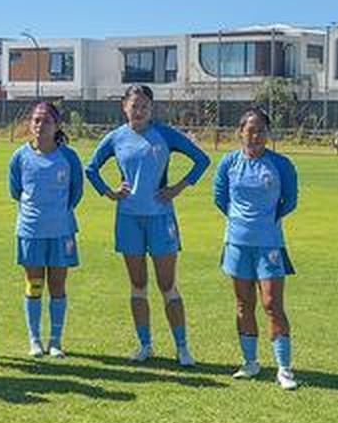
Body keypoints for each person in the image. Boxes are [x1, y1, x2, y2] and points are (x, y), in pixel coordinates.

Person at [85, 84, 210, 366]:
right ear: (124, 107)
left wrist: (177, 188)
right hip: (128, 219)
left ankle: (182, 348)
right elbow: (90, 168)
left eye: (144, 106)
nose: (138, 111)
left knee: (167, 285)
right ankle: (145, 345)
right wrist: (110, 192)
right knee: (138, 284)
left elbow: (202, 160)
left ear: (151, 109)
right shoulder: (116, 138)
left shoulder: (164, 134)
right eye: (134, 106)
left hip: (161, 218)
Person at [213, 107, 299, 390]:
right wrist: (241, 222)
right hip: (237, 242)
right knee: (242, 304)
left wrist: (265, 223)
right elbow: (220, 198)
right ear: (240, 132)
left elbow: (290, 200)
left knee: (272, 304)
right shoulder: (228, 163)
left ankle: (284, 369)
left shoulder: (281, 164)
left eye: (261, 129)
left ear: (268, 133)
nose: (255, 135)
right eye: (250, 130)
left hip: (269, 243)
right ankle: (250, 362)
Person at [8, 102, 84, 358]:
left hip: (61, 231)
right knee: (34, 285)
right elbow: (15, 191)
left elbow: (76, 193)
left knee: (58, 286)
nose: (40, 126)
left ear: (57, 125)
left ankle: (55, 341)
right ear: (30, 124)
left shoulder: (69, 157)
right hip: (30, 230)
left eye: (47, 121)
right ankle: (34, 340)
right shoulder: (20, 156)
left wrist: (57, 214)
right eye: (36, 120)